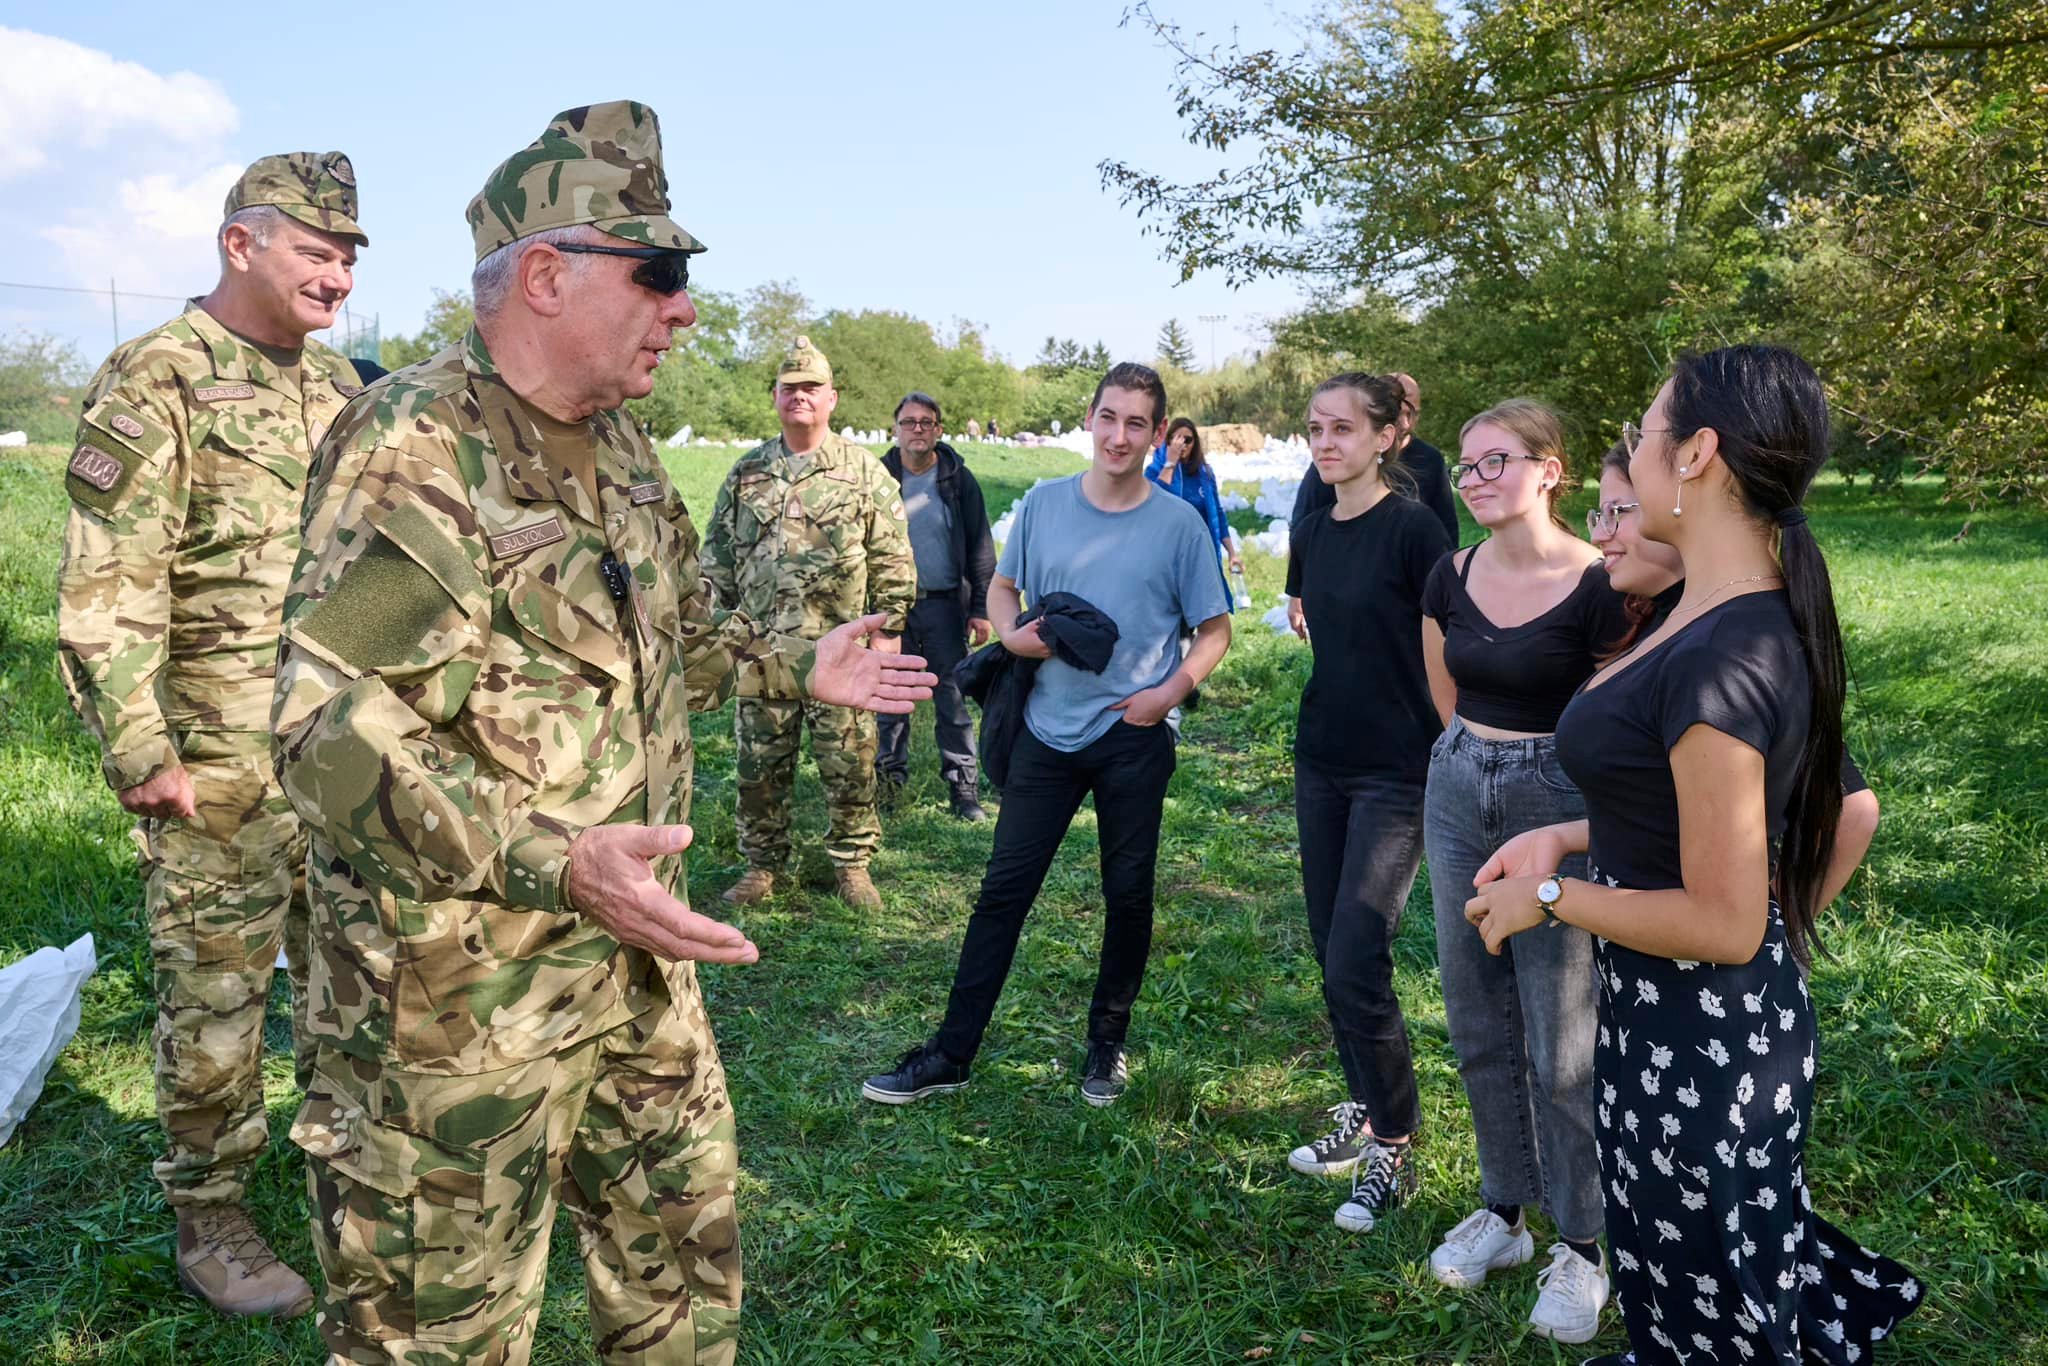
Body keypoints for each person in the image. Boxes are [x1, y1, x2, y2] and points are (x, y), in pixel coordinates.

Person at [271, 101, 934, 1364]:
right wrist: (554, 861)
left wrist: (799, 661)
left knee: (683, 1288)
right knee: (440, 1339)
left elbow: (670, 640)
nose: (685, 308)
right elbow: (327, 725)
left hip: (637, 976)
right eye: (659, 275)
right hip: (458, 1014)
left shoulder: (623, 448)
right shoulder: (420, 454)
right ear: (543, 276)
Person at [1464, 346, 1922, 1364]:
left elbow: (1722, 922)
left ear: (1700, 454)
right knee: (1689, 1286)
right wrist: (1567, 832)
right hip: (1676, 1034)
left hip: (1701, 1054)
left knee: (1713, 1304)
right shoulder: (1718, 621)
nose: (1633, 453)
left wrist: (1550, 893)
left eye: (1646, 431)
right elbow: (1688, 817)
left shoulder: (1726, 651)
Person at [56, 151, 369, 1319]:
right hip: (217, 767)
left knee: (348, 983)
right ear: (241, 243)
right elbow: (106, 592)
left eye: (348, 255)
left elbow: (367, 565)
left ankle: (341, 1174)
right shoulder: (159, 378)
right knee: (219, 1003)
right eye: (314, 249)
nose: (335, 274)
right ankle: (213, 1215)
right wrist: (146, 758)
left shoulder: (339, 384)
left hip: (339, 760)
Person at [861, 362, 1233, 1108]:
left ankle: (1107, 1043)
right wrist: (1009, 636)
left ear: (1158, 435)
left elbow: (1214, 631)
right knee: (1002, 892)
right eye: (1109, 418)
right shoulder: (1045, 504)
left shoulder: (1179, 525)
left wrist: (1166, 694)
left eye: (1137, 423)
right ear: (1089, 419)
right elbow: (1003, 583)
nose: (1119, 435)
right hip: (1045, 729)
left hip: (1134, 734)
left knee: (1127, 895)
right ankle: (951, 1052)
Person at [1416, 400, 1630, 1344]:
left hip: (1557, 793)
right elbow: (1447, 693)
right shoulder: (1449, 573)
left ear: (1551, 469)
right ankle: (1504, 1212)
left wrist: (1562, 805)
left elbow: (1619, 720)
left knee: (1561, 1037)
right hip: (1459, 784)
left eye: (1495, 461)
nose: (1475, 479)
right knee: (1474, 1013)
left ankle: (1582, 1246)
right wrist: (1473, 762)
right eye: (1465, 466)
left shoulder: (1600, 584)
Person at [1281, 372, 1451, 1233]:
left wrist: (1459, 745)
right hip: (1323, 761)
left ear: (1387, 437)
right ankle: (1361, 1105)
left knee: (1357, 953)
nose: (1325, 442)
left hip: (1399, 770)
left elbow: (1452, 642)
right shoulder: (1309, 529)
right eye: (1316, 429)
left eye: (1343, 428)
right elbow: (1314, 629)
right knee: (1327, 949)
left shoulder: (1416, 530)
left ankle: (1395, 1138)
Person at [1588, 438, 1882, 905]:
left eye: (1618, 511)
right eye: (1598, 515)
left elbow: (1853, 809)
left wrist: (1777, 931)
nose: (1599, 534)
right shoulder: (1667, 622)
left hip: (1699, 962)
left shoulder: (1715, 650)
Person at [702, 336, 917, 909]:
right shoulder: (748, 472)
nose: (800, 396)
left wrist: (889, 631)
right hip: (762, 650)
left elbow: (892, 554)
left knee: (849, 763)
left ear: (832, 399)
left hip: (839, 650)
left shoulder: (864, 472)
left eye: (811, 388)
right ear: (775, 397)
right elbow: (717, 554)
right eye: (789, 387)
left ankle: (852, 865)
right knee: (759, 766)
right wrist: (717, 627)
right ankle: (762, 866)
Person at [877, 391, 997, 821]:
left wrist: (980, 608)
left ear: (939, 430)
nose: (917, 430)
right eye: (909, 422)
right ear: (896, 429)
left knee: (952, 699)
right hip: (893, 610)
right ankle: (889, 786)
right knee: (891, 700)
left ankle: (964, 791)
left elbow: (981, 546)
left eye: (926, 423)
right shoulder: (879, 478)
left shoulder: (957, 479)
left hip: (946, 607)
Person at [1146, 416, 1243, 605]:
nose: (1182, 444)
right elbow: (1153, 504)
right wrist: (1170, 463)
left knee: (1206, 607)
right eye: (1177, 439)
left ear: (1195, 444)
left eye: (1187, 439)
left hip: (1201, 552)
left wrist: (1232, 553)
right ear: (1168, 441)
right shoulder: (1154, 471)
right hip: (1168, 553)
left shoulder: (1205, 474)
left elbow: (1217, 515)